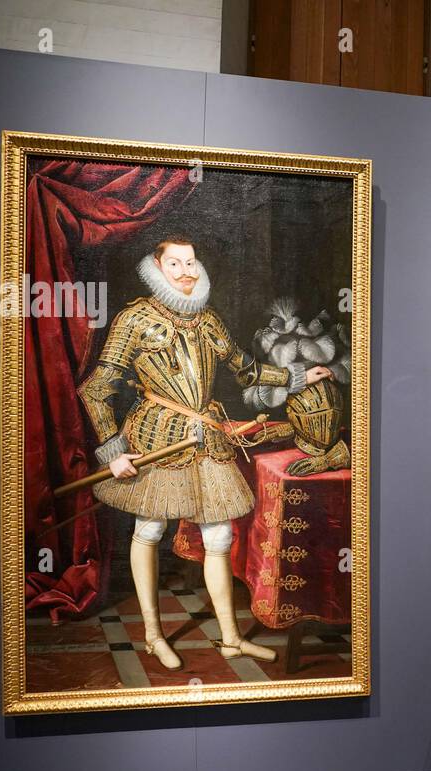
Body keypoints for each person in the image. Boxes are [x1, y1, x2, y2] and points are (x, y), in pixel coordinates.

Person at [77, 237, 331, 670]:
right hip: (155, 439)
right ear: (157, 269)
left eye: (191, 262)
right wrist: (113, 452)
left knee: (220, 537)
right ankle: (154, 636)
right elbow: (97, 389)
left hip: (206, 439)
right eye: (174, 264)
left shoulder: (209, 320)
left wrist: (298, 376)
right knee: (150, 531)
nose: (185, 271)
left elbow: (245, 369)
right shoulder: (134, 319)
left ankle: (230, 638)